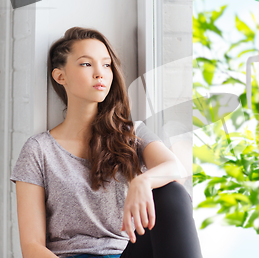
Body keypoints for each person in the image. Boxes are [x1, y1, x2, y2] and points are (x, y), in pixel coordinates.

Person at [10, 27, 203, 258]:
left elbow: (176, 168)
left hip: (125, 253)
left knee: (172, 192)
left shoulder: (132, 134)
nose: (100, 73)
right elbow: (31, 246)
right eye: (86, 64)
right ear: (60, 76)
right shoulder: (38, 150)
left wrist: (143, 181)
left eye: (106, 65)